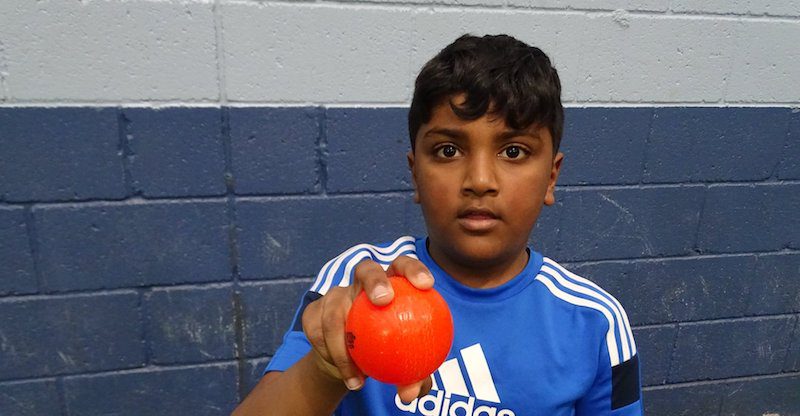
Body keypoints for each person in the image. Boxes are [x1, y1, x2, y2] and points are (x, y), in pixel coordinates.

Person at [233, 34, 643, 416]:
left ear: (551, 177)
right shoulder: (360, 284)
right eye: (448, 150)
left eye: (514, 151)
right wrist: (325, 369)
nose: (480, 180)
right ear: (415, 173)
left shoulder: (595, 321)